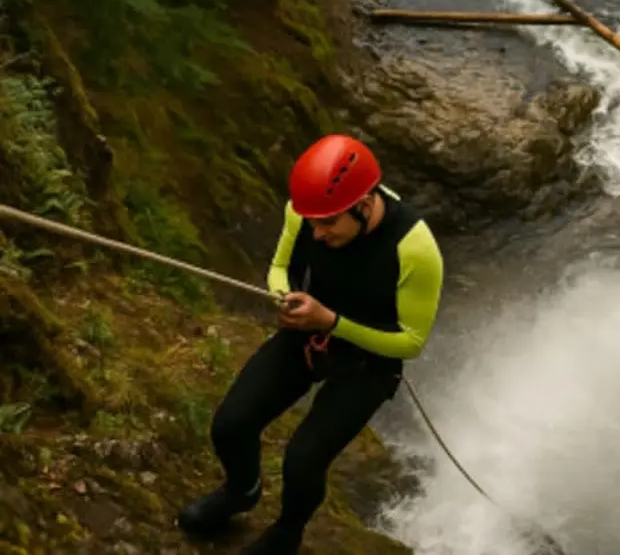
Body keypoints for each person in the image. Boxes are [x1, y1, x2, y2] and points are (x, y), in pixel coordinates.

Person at [176, 134, 445, 555]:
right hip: (309, 333)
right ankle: (241, 490)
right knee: (231, 424)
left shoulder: (414, 248)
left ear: (364, 204)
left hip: (368, 363)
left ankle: (287, 533)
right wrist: (284, 297)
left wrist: (332, 321)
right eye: (313, 222)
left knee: (302, 459)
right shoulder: (304, 212)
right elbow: (280, 268)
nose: (317, 234)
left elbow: (409, 343)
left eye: (329, 224)